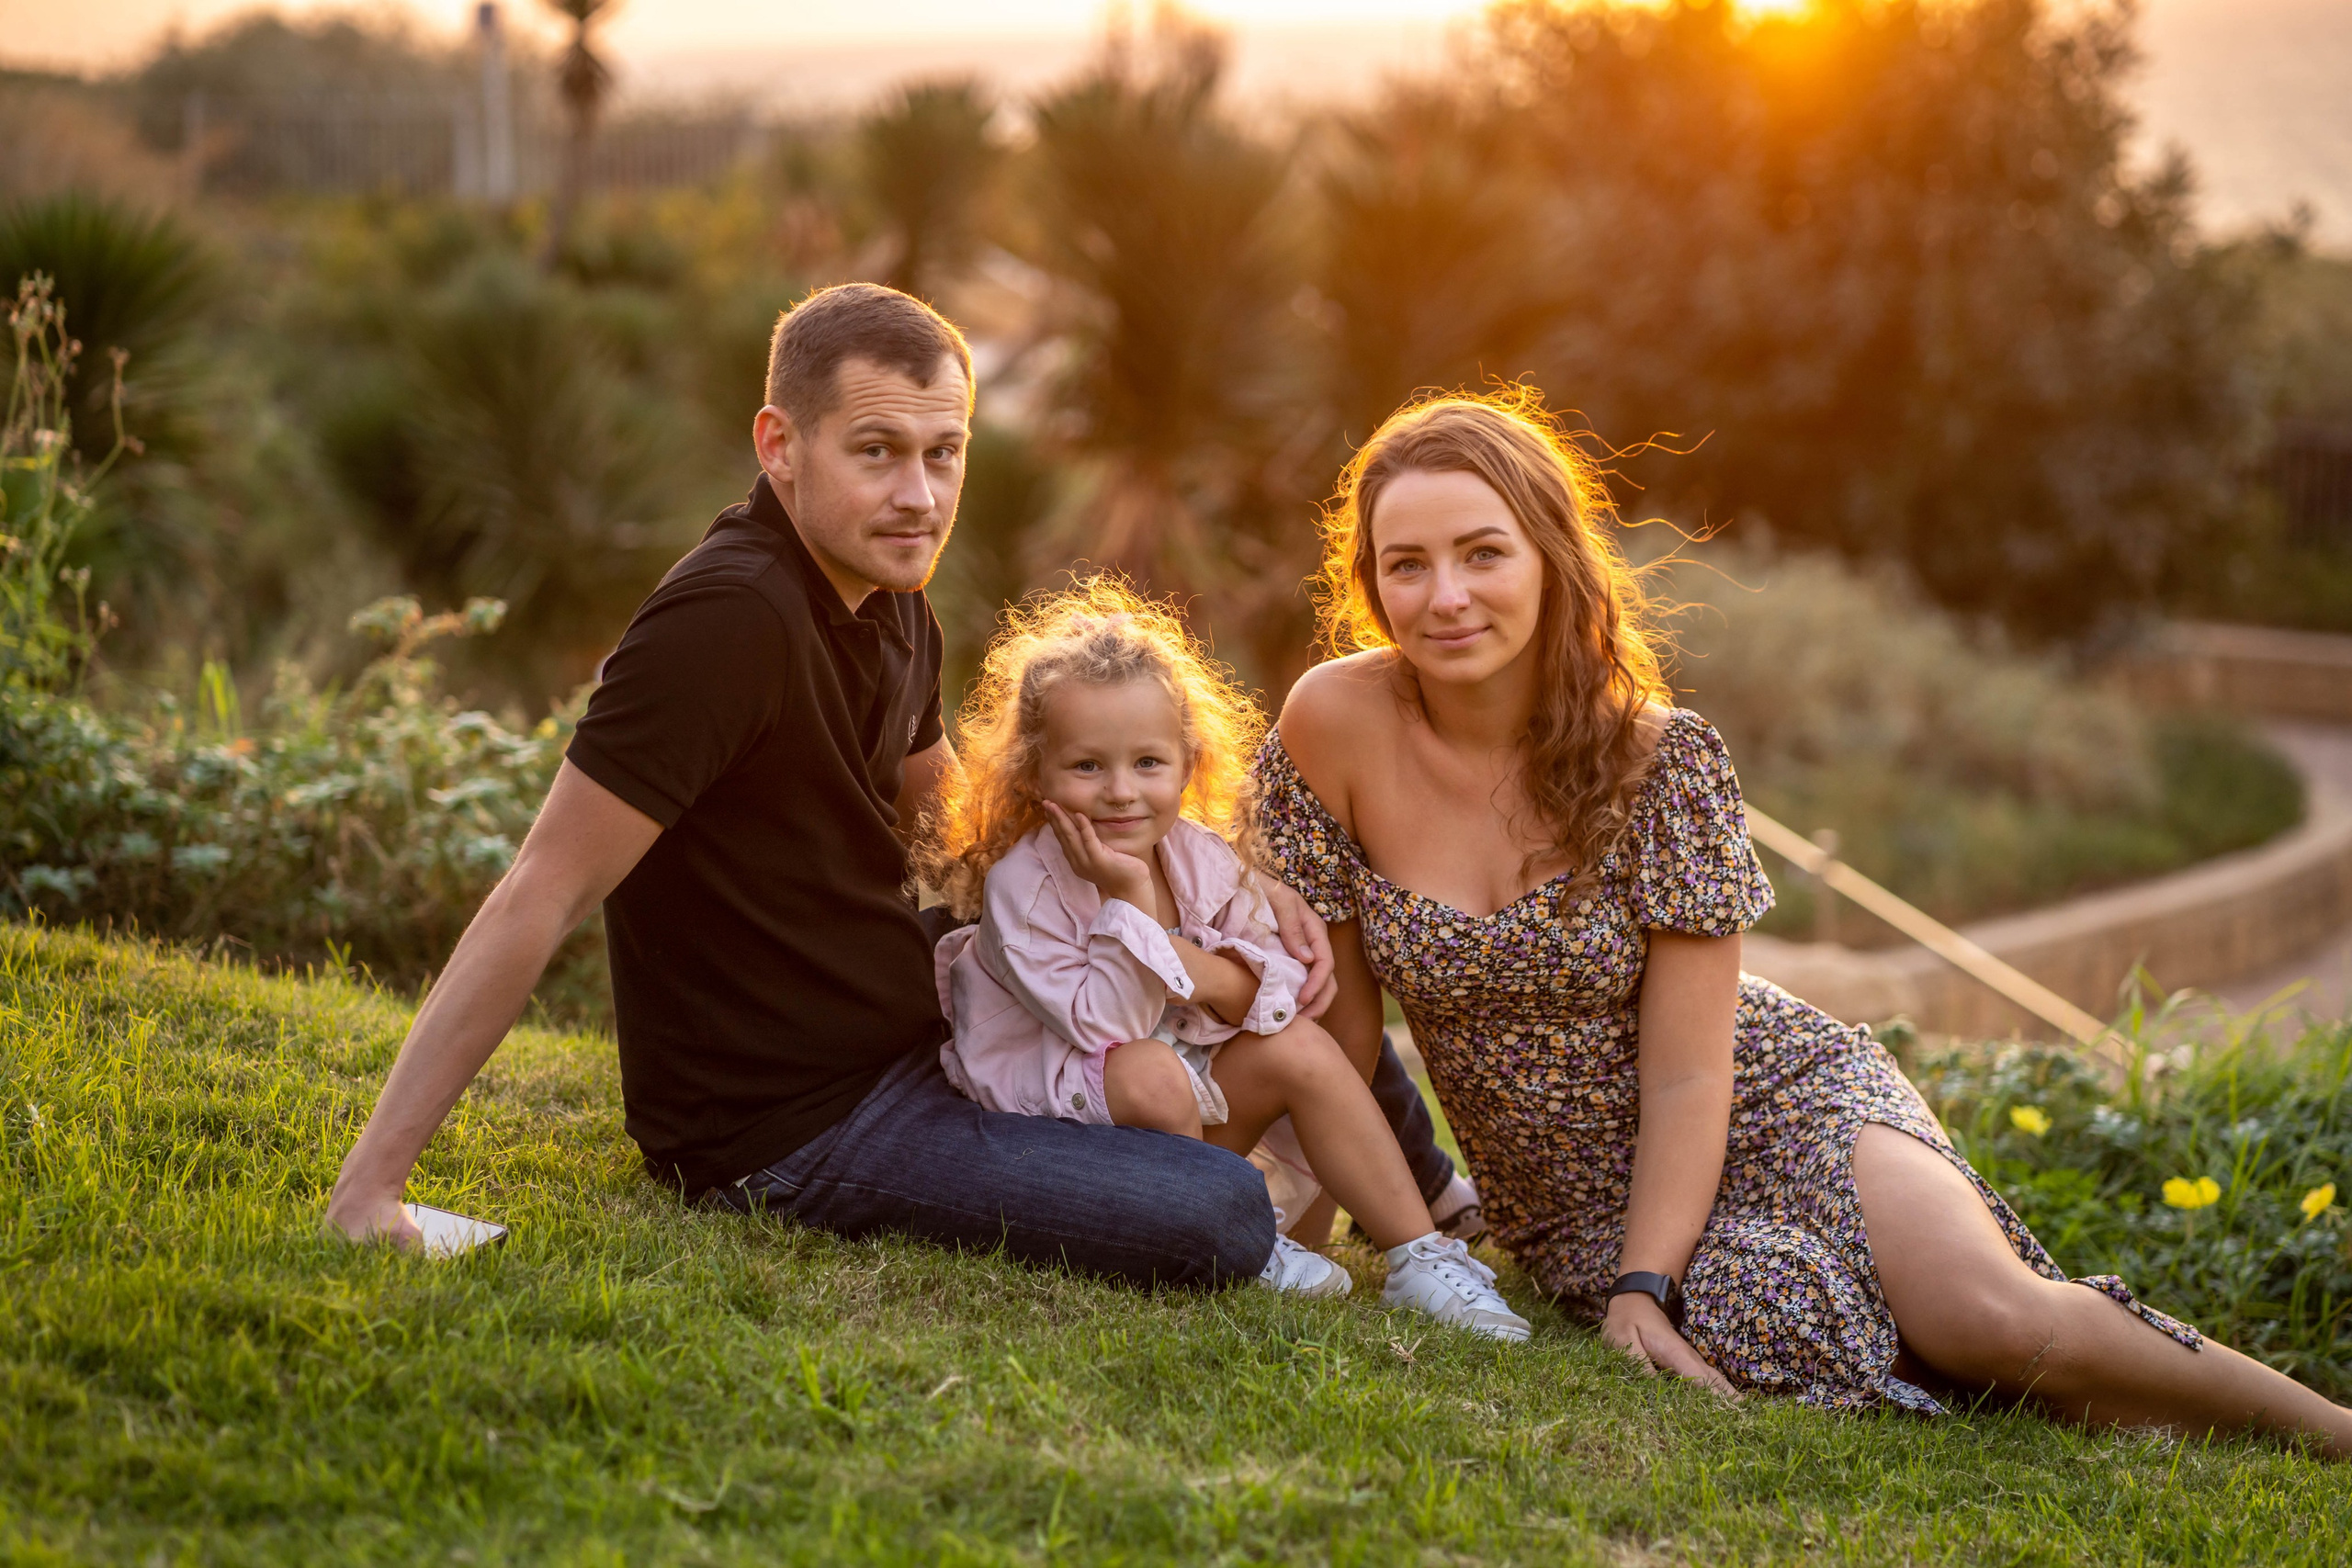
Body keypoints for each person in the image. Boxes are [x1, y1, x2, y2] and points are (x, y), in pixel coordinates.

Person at [1254, 387, 2352, 1451]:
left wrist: (1646, 1289)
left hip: (1774, 1093)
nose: (1445, 594)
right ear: (1370, 583)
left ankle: (2328, 1434)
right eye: (1407, 563)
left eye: (1481, 552)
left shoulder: (1660, 757)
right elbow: (1338, 1042)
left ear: (1549, 556)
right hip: (1575, 1207)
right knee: (1773, 1316)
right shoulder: (1336, 726)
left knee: (1991, 1318)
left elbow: (1692, 1072)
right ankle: (2044, 1389)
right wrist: (1300, 1243)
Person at [322, 282, 1469, 1294]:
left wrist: (1231, 899)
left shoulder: (891, 600)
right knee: (1213, 1214)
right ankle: (1274, 1197)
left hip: (929, 1039)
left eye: (944, 451)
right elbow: (543, 890)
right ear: (780, 445)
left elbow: (975, 835)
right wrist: (374, 1189)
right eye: (876, 451)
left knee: (1278, 971)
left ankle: (1441, 1218)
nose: (919, 493)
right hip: (788, 1126)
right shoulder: (724, 622)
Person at [922, 579, 1530, 1337]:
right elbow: (1106, 1026)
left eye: (1148, 762)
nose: (1121, 793)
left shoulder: (1200, 857)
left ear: (1187, 763)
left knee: (1300, 1047)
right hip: (1069, 1140)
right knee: (1147, 1066)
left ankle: (1420, 1254)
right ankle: (1222, 1233)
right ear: (1035, 773)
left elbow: (1277, 995)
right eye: (1087, 767)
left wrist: (1203, 968)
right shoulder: (1025, 890)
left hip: (1180, 1119)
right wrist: (1131, 902)